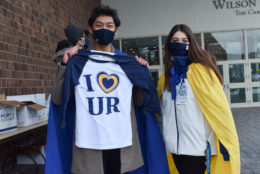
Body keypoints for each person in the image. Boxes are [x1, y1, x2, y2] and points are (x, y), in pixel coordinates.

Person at [45, 4, 169, 174]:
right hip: (89, 147)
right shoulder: (79, 62)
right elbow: (58, 99)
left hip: (122, 145)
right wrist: (65, 66)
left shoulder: (127, 63)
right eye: (99, 25)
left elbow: (141, 102)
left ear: (116, 30)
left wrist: (141, 76)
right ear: (91, 29)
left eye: (109, 26)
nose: (105, 29)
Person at [157, 24, 240, 174]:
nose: (179, 43)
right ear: (169, 44)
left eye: (184, 40)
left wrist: (219, 143)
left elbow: (218, 111)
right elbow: (160, 110)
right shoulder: (166, 78)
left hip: (197, 148)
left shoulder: (202, 72)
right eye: (175, 40)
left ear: (191, 44)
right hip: (173, 148)